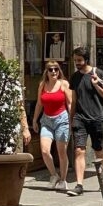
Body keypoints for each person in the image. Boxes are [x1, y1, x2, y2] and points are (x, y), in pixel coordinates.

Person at [69, 47, 103, 196]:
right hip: (80, 118)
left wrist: (96, 85)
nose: (77, 63)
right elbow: (73, 101)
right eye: (75, 61)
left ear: (86, 59)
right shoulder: (74, 77)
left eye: (79, 60)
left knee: (98, 150)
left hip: (97, 118)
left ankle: (102, 180)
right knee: (79, 150)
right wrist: (71, 119)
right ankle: (79, 184)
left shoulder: (98, 74)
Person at [32, 60, 72, 192]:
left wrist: (72, 121)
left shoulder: (64, 84)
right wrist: (34, 120)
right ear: (46, 72)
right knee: (44, 150)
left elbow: (70, 103)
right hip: (46, 120)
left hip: (62, 119)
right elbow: (39, 103)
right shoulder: (42, 85)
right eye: (51, 69)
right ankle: (54, 175)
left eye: (56, 69)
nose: (54, 71)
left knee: (61, 152)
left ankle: (63, 180)